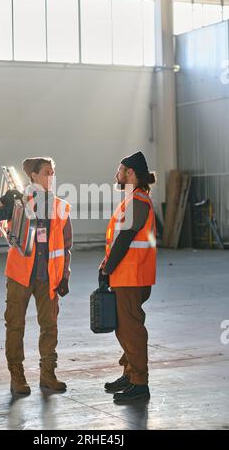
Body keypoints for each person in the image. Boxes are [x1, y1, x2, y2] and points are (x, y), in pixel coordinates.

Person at [0, 157, 72, 395]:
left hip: (47, 277)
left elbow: (67, 245)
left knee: (50, 327)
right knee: (15, 325)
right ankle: (17, 377)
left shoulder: (60, 206)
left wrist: (64, 276)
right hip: (20, 276)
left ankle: (48, 375)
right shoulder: (18, 202)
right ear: (33, 176)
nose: (52, 176)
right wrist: (2, 202)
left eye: (53, 172)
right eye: (47, 172)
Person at [99, 151, 156, 404]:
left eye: (120, 169)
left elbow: (125, 239)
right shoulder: (133, 199)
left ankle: (140, 383)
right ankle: (130, 374)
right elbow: (117, 240)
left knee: (131, 329)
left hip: (132, 276)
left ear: (130, 173)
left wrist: (107, 268)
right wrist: (108, 266)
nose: (117, 174)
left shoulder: (139, 201)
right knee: (124, 327)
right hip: (125, 275)